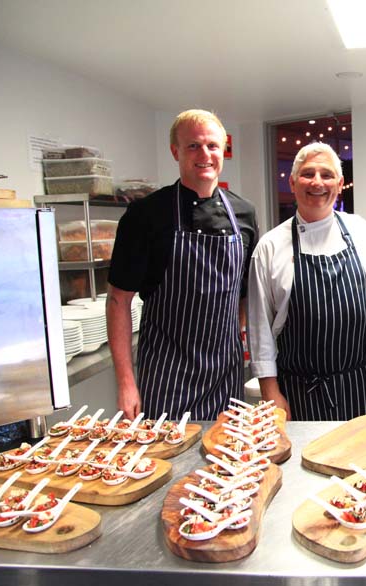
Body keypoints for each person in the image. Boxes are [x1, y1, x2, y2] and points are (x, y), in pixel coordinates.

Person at [107, 109, 258, 420]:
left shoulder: (244, 213)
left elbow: (243, 294)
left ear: (223, 151)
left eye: (213, 146)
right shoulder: (145, 215)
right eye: (193, 146)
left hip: (225, 377)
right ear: (175, 151)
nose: (205, 154)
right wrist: (126, 382)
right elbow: (118, 301)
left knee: (226, 459)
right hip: (166, 376)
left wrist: (238, 341)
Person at [248, 142, 366, 420]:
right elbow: (259, 328)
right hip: (302, 393)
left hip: (364, 388)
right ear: (292, 183)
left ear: (340, 184)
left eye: (327, 175)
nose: (318, 182)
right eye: (308, 174)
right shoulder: (270, 247)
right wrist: (270, 393)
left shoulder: (364, 232)